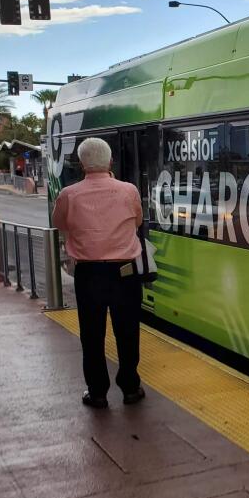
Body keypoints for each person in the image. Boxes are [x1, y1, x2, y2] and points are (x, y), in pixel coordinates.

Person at [51, 137, 145, 409]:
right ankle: (130, 388)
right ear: (110, 161)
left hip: (88, 275)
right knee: (128, 332)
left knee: (91, 335)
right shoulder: (129, 191)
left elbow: (59, 223)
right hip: (125, 273)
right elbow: (137, 221)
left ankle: (98, 392)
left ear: (81, 164)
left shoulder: (69, 194)